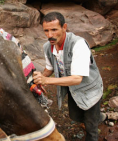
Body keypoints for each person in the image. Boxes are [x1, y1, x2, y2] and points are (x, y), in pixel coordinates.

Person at [33, 12, 104, 141]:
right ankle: (97, 116)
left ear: (64, 27)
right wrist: (40, 78)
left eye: (54, 30)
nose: (50, 35)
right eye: (46, 31)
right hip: (72, 88)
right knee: (75, 115)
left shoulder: (78, 44)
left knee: (91, 129)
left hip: (90, 89)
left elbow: (77, 78)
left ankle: (93, 124)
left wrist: (47, 80)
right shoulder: (47, 47)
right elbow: (49, 68)